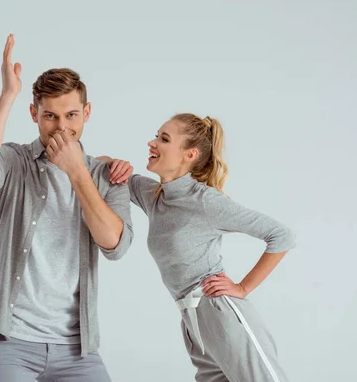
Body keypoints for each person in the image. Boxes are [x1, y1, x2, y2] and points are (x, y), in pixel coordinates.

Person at [0, 34, 133, 382]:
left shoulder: (106, 175)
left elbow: (116, 245)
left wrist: (77, 171)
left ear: (87, 112)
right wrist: (8, 95)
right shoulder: (14, 159)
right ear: (34, 114)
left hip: (76, 347)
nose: (62, 127)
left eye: (71, 115)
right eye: (50, 116)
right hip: (6, 337)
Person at [99, 113, 296, 382]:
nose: (152, 142)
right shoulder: (155, 196)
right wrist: (114, 163)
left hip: (219, 312)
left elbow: (281, 236)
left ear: (188, 155)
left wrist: (242, 288)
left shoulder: (205, 201)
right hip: (192, 321)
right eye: (157, 135)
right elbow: (100, 166)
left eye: (163, 139)